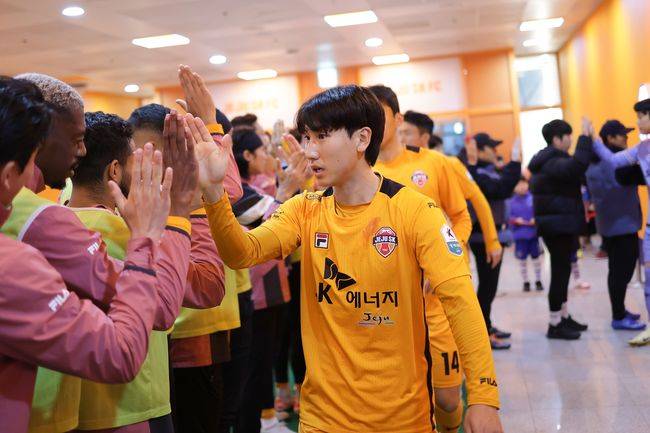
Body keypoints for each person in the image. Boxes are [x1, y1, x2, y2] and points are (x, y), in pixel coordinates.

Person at [197, 85, 502, 433]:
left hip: (402, 419)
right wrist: (214, 193)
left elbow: (460, 301)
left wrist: (483, 396)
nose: (309, 151)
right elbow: (241, 252)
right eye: (307, 137)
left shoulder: (415, 211)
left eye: (322, 136)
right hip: (322, 420)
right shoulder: (304, 209)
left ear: (361, 139)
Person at [3, 73, 195, 433]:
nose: (81, 151)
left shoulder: (38, 211)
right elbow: (151, 319)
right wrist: (174, 215)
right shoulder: (44, 221)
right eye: (76, 139)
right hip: (105, 412)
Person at [371, 94, 500, 432]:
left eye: (379, 115)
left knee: (447, 398)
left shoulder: (437, 163)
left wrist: (481, 244)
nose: (372, 124)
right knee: (408, 396)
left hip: (437, 298)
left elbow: (463, 214)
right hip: (393, 304)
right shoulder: (364, 173)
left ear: (398, 119)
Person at [231, 128, 309, 433]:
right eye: (262, 150)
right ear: (246, 156)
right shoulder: (239, 193)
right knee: (257, 363)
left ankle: (267, 416)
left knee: (268, 354)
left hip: (274, 285)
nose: (266, 155)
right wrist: (286, 189)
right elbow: (266, 232)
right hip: (257, 290)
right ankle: (265, 417)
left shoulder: (250, 189)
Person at [590, 98, 650, 345]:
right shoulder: (636, 152)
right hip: (626, 225)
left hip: (621, 224)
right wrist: (591, 139)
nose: (629, 135)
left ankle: (621, 312)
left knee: (623, 271)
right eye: (623, 134)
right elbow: (615, 165)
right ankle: (624, 317)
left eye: (641, 116)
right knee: (631, 274)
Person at [528, 119, 592, 340]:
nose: (571, 140)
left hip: (561, 223)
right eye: (569, 136)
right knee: (559, 273)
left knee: (563, 271)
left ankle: (563, 316)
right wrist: (585, 138)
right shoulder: (551, 161)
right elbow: (575, 167)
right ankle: (555, 323)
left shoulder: (551, 159)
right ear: (557, 139)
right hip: (556, 226)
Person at [464, 133, 521, 349]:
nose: (496, 152)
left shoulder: (486, 170)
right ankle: (482, 334)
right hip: (483, 238)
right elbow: (501, 189)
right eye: (492, 148)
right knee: (487, 286)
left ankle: (486, 325)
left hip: (492, 237)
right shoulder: (475, 173)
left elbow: (503, 183)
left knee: (490, 286)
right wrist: (514, 161)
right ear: (479, 151)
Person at [507, 177, 543, 292]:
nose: (522, 187)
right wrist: (515, 220)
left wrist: (535, 219)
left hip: (533, 234)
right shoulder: (511, 202)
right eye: (519, 184)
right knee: (522, 260)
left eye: (524, 184)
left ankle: (538, 280)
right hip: (520, 235)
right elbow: (508, 218)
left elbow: (540, 211)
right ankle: (526, 281)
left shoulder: (533, 198)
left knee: (536, 258)